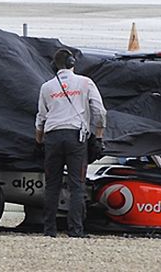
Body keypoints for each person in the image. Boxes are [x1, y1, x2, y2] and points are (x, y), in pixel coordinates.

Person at [35, 48, 107, 238]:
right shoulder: (85, 83)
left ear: (54, 66)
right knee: (77, 185)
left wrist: (39, 141)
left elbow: (41, 118)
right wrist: (98, 136)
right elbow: (100, 111)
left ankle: (49, 230)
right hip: (76, 138)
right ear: (72, 63)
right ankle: (76, 230)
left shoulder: (46, 87)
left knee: (52, 185)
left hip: (52, 137)